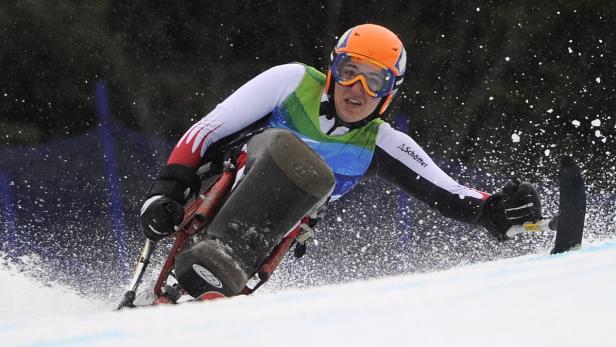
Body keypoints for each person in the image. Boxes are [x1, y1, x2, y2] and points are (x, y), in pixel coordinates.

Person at [139, 24, 541, 298]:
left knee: (309, 179)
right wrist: (166, 190)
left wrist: (497, 211)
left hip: (275, 229)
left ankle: (218, 280)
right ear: (332, 70)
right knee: (285, 149)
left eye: (374, 80)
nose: (358, 89)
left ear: (389, 91)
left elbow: (450, 193)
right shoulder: (291, 82)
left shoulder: (381, 141)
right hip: (225, 185)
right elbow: (208, 130)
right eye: (350, 72)